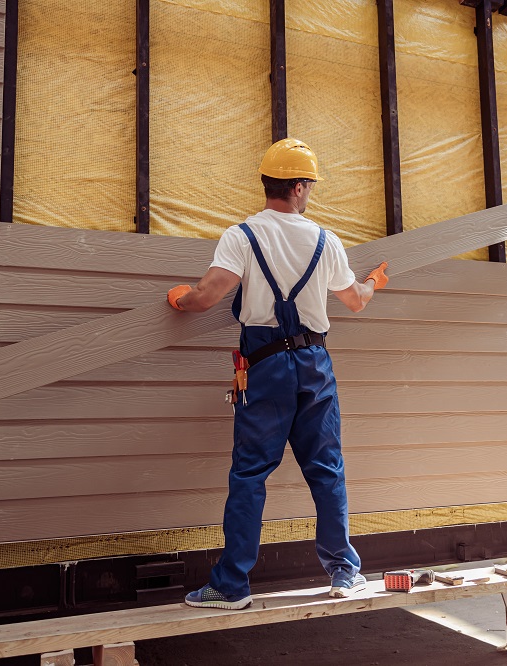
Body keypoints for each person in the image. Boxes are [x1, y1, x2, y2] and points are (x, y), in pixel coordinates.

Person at [165, 138, 389, 610]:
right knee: (326, 471)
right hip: (314, 365)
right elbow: (354, 301)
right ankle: (344, 574)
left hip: (263, 367)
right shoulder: (327, 240)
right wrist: (373, 282)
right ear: (301, 186)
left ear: (267, 182)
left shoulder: (241, 236)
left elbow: (206, 296)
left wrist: (178, 300)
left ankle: (231, 587)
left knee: (249, 474)